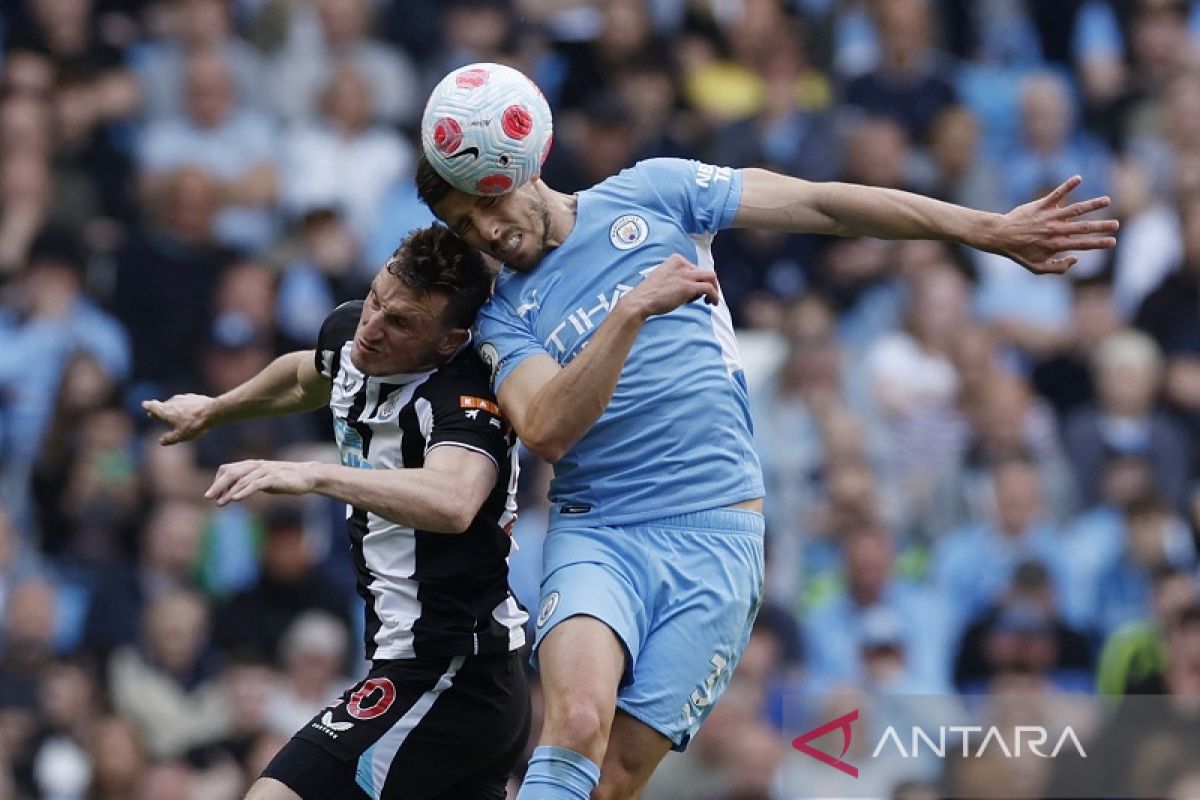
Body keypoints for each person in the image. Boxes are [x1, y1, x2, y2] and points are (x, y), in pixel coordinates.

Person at [415, 70, 1119, 799]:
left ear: (517, 169)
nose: (488, 232)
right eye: (466, 228)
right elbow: (546, 429)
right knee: (577, 720)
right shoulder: (502, 316)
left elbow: (822, 205)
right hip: (603, 532)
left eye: (487, 205)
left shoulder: (653, 191)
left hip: (720, 537)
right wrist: (631, 311)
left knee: (614, 780)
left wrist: (984, 229)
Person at [143, 225, 530, 800]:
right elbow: (309, 373)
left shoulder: (464, 394)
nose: (372, 328)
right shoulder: (359, 334)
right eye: (377, 299)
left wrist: (317, 475)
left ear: (448, 341)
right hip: (422, 668)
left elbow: (454, 500)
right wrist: (217, 411)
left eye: (401, 323)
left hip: (451, 676)